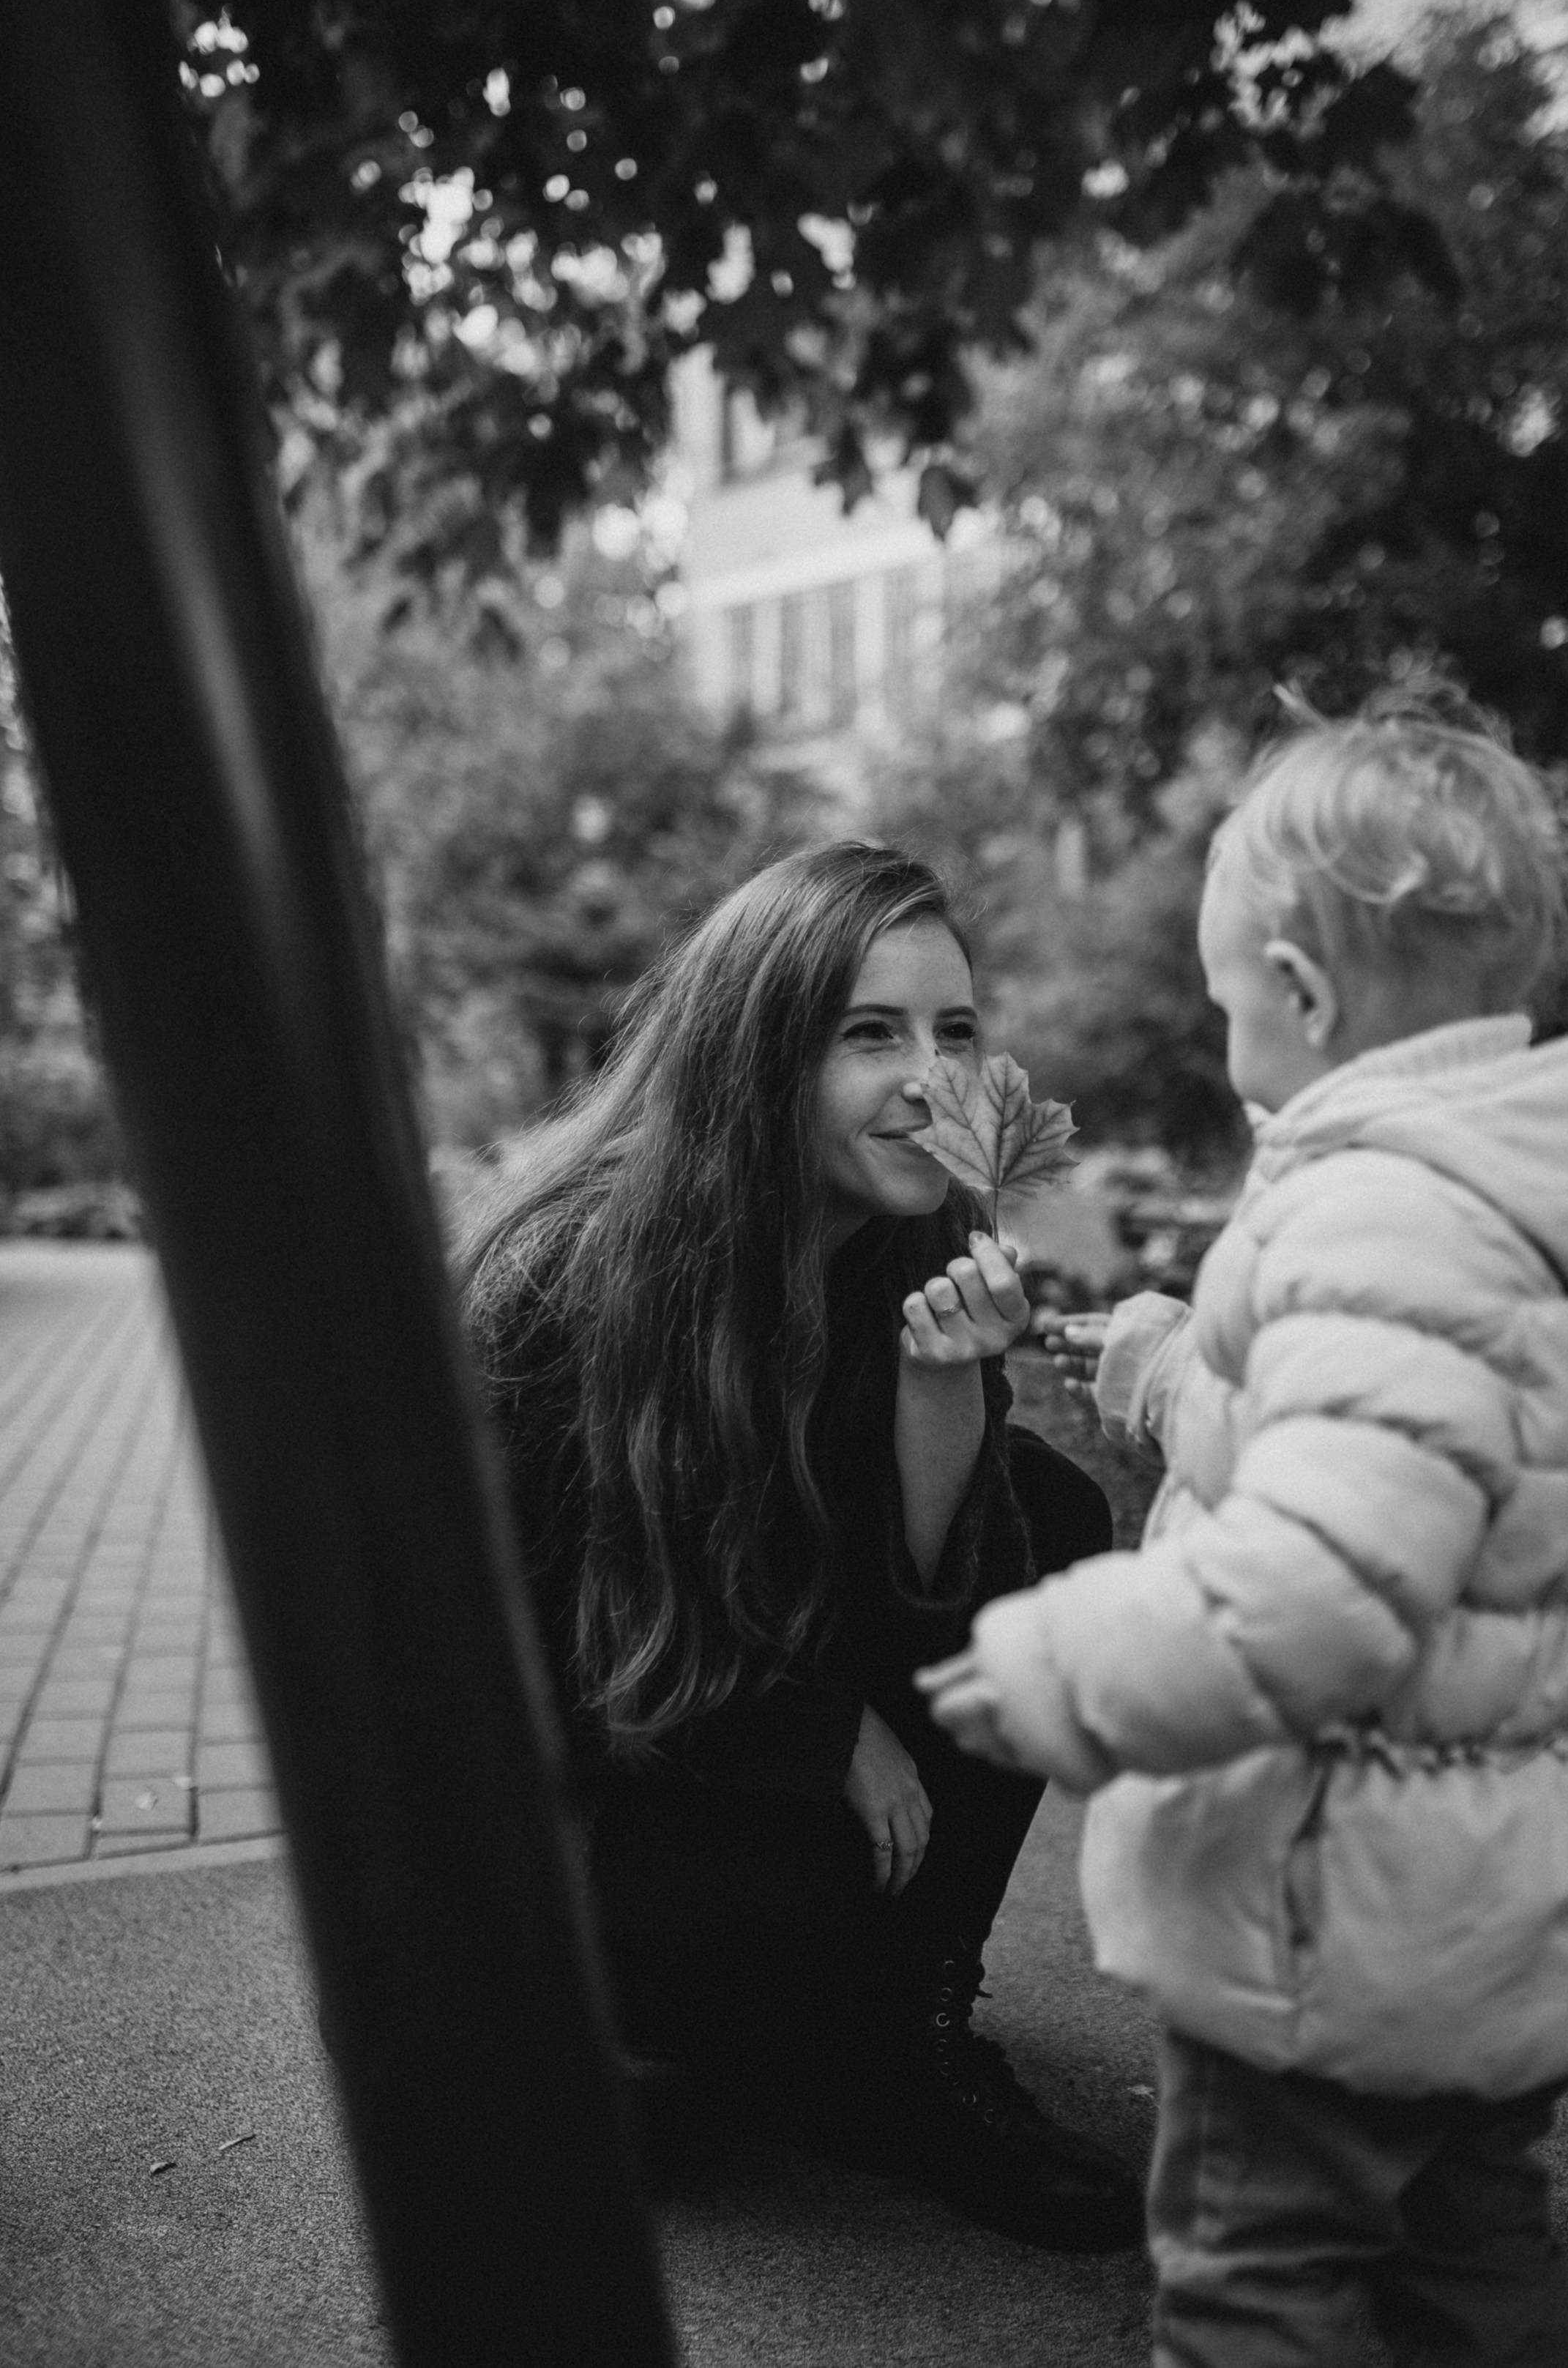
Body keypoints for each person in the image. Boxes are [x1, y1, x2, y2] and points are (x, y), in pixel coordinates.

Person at [922, 696, 1568, 2362]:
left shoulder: (1375, 1214)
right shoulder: (1504, 1201)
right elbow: (1406, 1449)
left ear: (1298, 993)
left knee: (1257, 2286)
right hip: (1501, 1901)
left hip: (1346, 1921)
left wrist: (1055, 1661)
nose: (1224, 1041)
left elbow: (1322, 1587)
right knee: (1467, 2255)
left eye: (1224, 1006)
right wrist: (1167, 1362)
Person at [457, 840, 1143, 2251]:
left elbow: (958, 1644)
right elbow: (544, 1667)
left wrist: (944, 1390)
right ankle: (695, 2031)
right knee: (758, 1921)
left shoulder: (912, 1235)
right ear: (761, 1049)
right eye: (869, 1033)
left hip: (723, 1725)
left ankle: (904, 2040)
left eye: (954, 1031)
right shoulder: (577, 1275)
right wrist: (820, 1730)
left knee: (1053, 1514)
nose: (931, 1079)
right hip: (544, 1827)